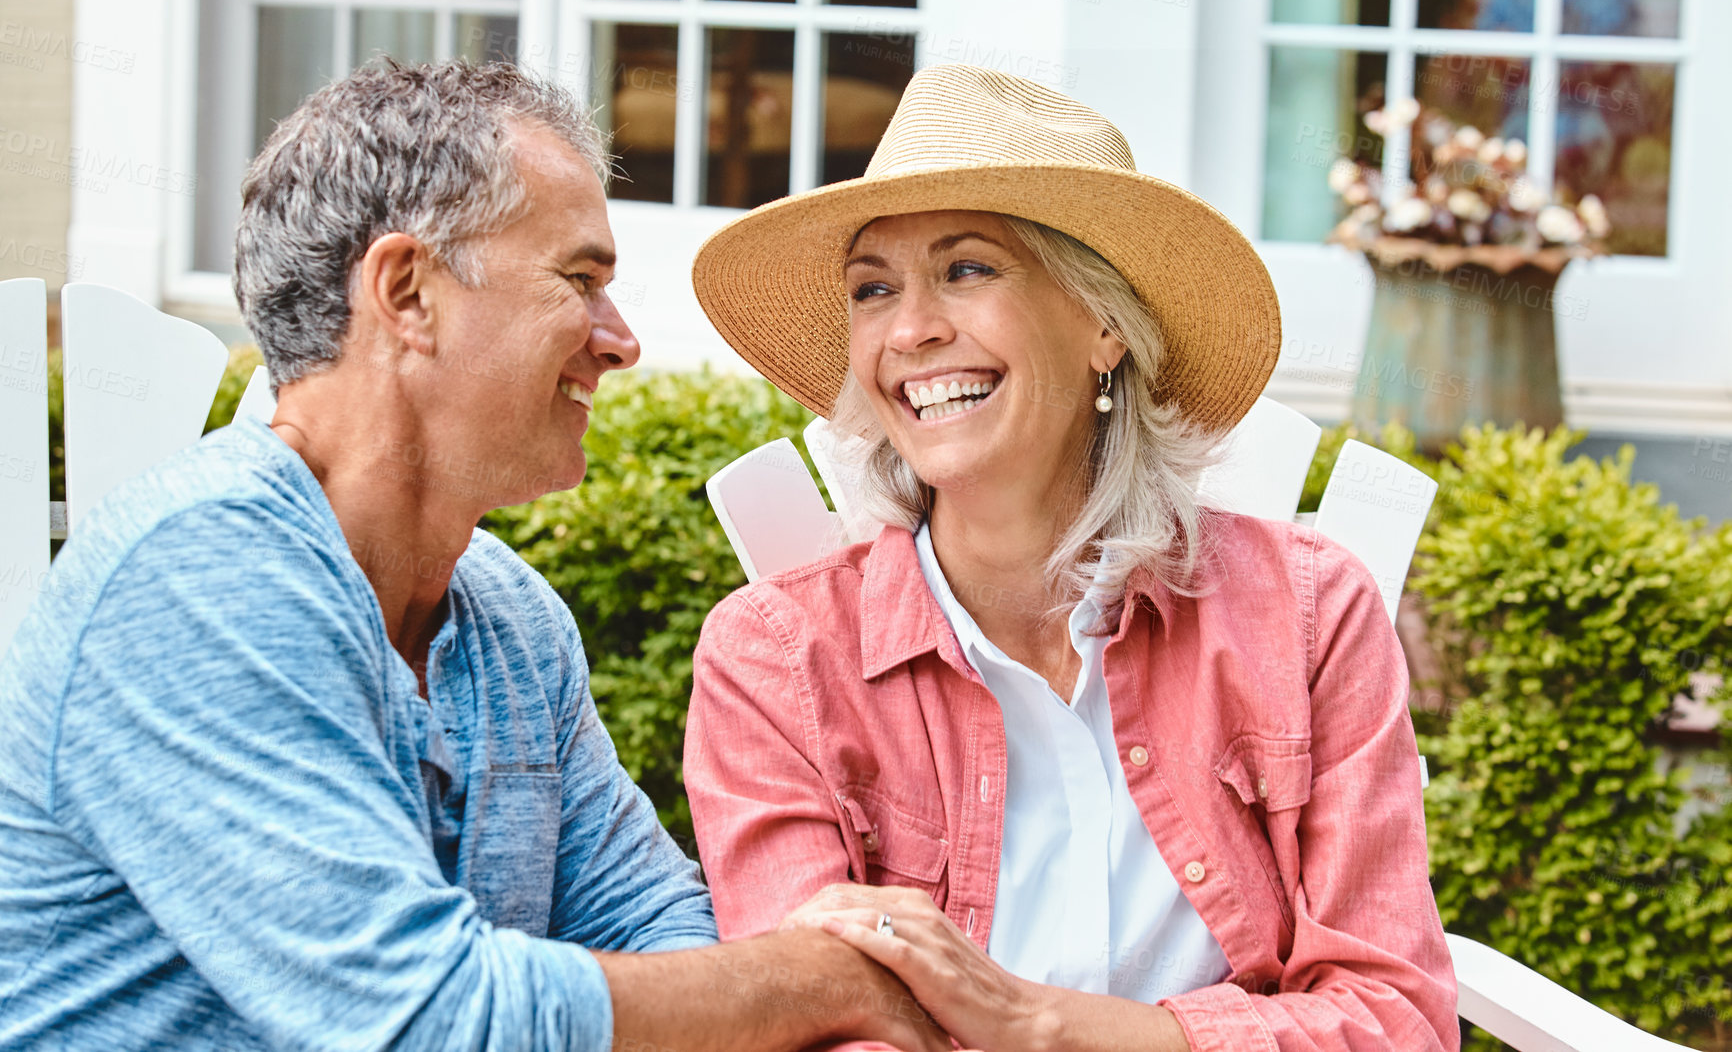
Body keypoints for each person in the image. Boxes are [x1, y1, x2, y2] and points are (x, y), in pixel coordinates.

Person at [0, 60, 948, 1052]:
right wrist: (805, 979)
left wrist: (792, 991)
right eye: (579, 281)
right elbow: (421, 1018)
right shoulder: (195, 582)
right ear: (406, 290)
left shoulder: (510, 619)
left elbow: (654, 925)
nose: (619, 342)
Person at [683, 63, 1460, 1051]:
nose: (911, 328)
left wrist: (1035, 1024)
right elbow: (806, 1022)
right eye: (872, 289)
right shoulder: (778, 658)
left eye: (967, 269)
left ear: (1101, 324)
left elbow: (1393, 1017)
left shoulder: (1307, 615)